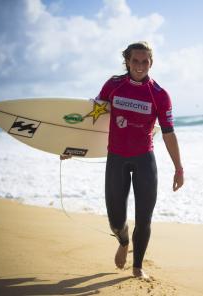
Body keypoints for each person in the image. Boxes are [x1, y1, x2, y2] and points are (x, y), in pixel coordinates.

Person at [62, 41, 184, 280]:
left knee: (144, 218)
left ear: (151, 62)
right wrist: (72, 149)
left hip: (144, 160)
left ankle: (137, 267)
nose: (140, 66)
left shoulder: (159, 95)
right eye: (135, 61)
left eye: (145, 61)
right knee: (116, 219)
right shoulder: (113, 85)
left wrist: (179, 168)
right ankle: (123, 240)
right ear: (127, 61)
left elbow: (168, 132)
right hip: (116, 158)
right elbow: (94, 119)